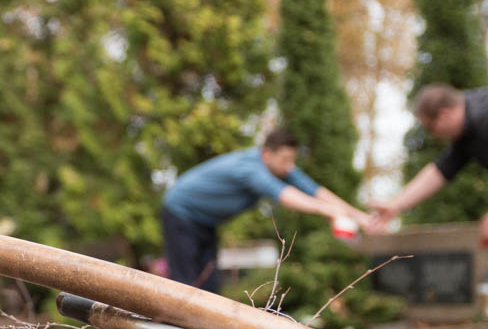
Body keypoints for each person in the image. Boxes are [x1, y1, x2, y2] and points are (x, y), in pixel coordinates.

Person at [160, 128, 371, 293]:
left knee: (209, 283)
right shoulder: (250, 168)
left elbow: (315, 190)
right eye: (285, 160)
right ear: (267, 153)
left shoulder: (280, 167)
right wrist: (330, 212)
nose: (289, 167)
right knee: (184, 282)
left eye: (292, 160)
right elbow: (285, 196)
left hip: (206, 222)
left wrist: (360, 217)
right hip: (181, 212)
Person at [369, 84, 488, 243]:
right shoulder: (466, 131)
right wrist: (395, 205)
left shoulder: (483, 115)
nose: (433, 135)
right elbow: (441, 170)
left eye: (430, 128)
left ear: (445, 115)